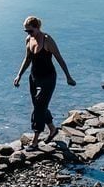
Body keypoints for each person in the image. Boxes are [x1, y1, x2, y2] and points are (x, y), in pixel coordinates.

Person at [12, 16, 75, 145]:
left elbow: (59, 58)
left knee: (39, 108)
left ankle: (35, 141)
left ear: (37, 27)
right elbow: (28, 59)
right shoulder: (28, 39)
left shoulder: (47, 40)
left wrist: (68, 76)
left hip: (48, 78)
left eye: (30, 31)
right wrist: (19, 75)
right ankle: (52, 129)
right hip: (34, 77)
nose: (28, 33)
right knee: (38, 105)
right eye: (26, 31)